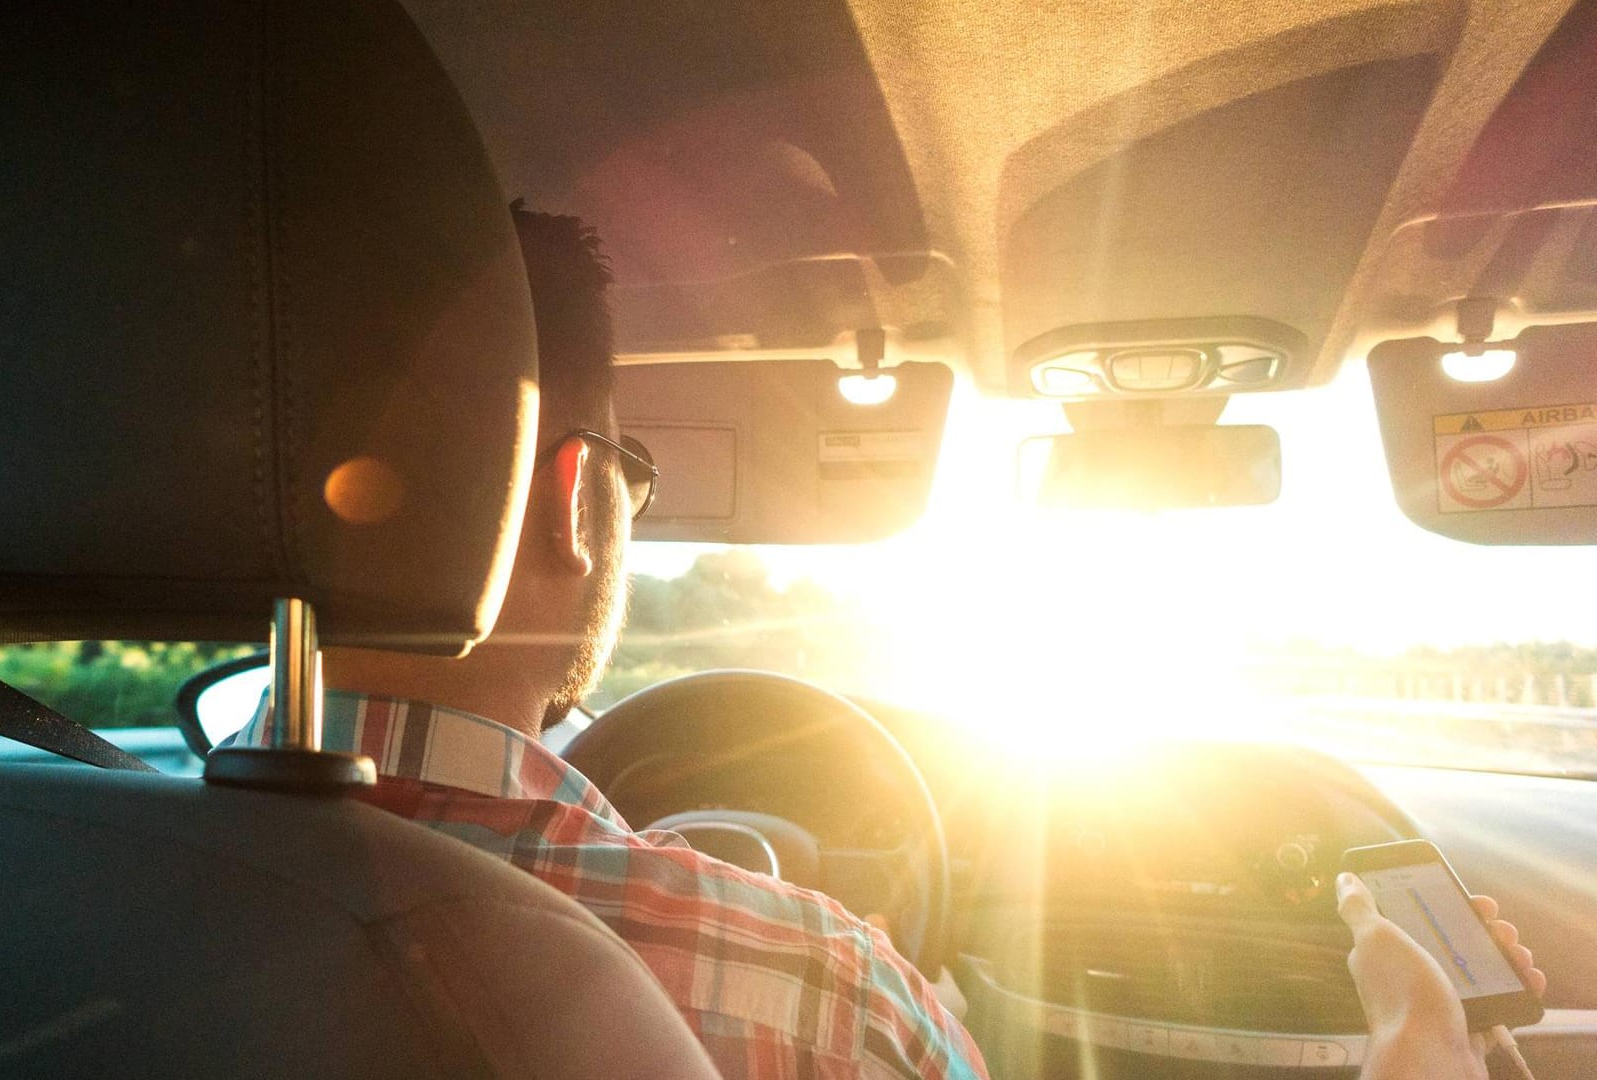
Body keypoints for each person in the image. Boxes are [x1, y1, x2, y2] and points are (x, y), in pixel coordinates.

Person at [263, 204, 1544, 1080]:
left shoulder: (69, 858)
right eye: (633, 477)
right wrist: (1426, 1028)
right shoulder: (812, 983)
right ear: (569, 497)